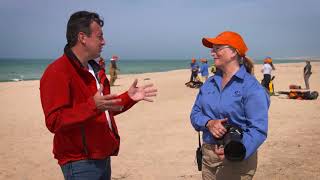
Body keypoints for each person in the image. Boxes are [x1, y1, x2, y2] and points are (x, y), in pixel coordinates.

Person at [39, 11, 157, 180]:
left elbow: (104, 108)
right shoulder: (58, 71)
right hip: (79, 161)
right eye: (99, 36)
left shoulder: (95, 69)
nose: (104, 41)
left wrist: (129, 97)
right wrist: (93, 106)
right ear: (82, 37)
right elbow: (54, 121)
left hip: (103, 155)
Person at [190, 31, 270, 180]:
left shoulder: (252, 87)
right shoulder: (209, 84)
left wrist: (234, 151)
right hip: (208, 159)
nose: (212, 53)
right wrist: (208, 123)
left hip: (237, 161)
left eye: (217, 48)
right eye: (212, 48)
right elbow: (195, 114)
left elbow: (258, 129)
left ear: (234, 52)